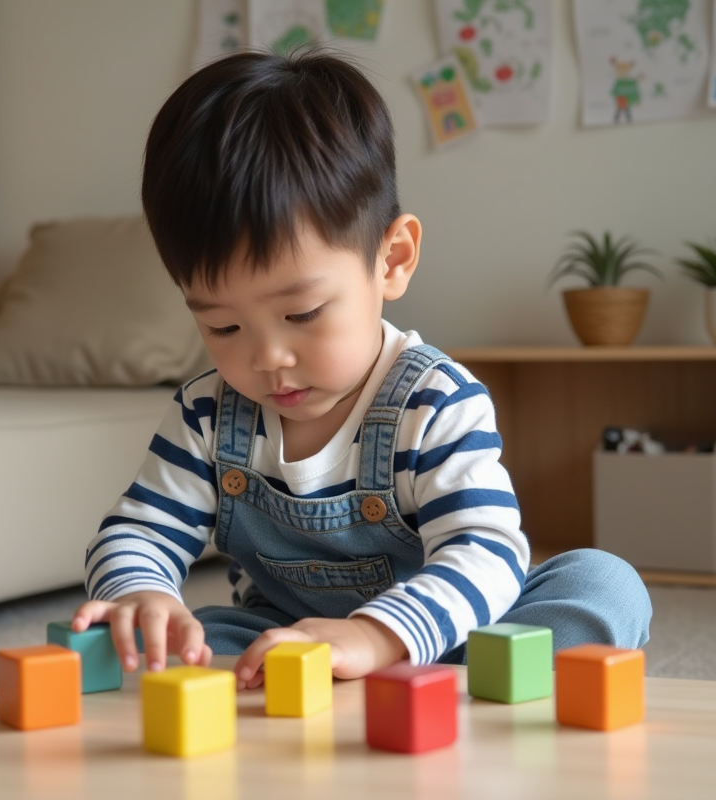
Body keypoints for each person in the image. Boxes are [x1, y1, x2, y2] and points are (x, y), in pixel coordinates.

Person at [72, 49, 650, 689]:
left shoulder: (434, 402)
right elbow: (139, 529)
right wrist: (140, 593)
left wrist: (375, 636)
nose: (267, 358)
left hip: (446, 642)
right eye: (223, 327)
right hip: (282, 640)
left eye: (303, 313)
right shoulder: (206, 414)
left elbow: (484, 551)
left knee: (601, 583)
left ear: (393, 260)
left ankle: (457, 699)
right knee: (188, 643)